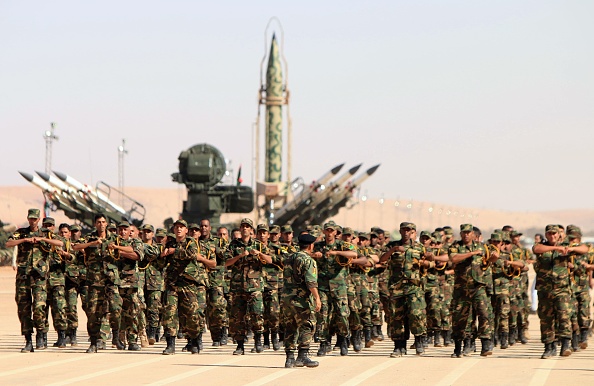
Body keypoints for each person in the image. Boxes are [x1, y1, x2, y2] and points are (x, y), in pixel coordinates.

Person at [6, 209, 63, 352]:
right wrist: (24, 240)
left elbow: (59, 243)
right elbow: (9, 243)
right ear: (28, 219)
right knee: (24, 309)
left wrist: (43, 239)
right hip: (23, 276)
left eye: (35, 219)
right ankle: (28, 339)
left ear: (39, 219)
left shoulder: (45, 232)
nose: (32, 221)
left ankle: (41, 333)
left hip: (39, 277)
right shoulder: (21, 232)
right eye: (30, 219)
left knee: (39, 307)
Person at [161, 219, 215, 355]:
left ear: (186, 230)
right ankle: (170, 344)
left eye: (182, 227)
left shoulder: (191, 242)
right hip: (173, 284)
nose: (179, 229)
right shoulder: (169, 243)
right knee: (169, 313)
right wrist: (162, 253)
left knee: (192, 314)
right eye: (176, 227)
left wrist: (174, 251)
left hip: (188, 284)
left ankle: (195, 340)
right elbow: (161, 259)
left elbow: (191, 254)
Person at [73, 213, 123, 353]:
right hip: (94, 282)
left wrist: (117, 248)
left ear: (106, 224)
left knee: (116, 309)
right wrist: (91, 244)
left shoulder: (114, 238)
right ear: (95, 224)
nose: (101, 224)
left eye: (103, 222)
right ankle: (94, 342)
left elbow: (132, 249)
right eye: (98, 222)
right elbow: (75, 246)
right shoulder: (90, 237)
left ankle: (116, 336)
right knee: (93, 312)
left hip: (111, 281)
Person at [224, 218, 274, 355]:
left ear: (252, 230)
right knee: (237, 317)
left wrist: (259, 254)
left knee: (257, 314)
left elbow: (270, 260)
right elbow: (225, 262)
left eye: (248, 227)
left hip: (255, 287)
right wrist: (240, 256)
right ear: (240, 229)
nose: (245, 228)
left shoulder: (259, 245)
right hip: (237, 287)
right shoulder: (233, 245)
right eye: (243, 226)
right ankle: (240, 345)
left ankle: (258, 340)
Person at [448, 224, 497, 358]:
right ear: (461, 234)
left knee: (484, 314)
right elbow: (454, 258)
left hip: (478, 286)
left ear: (473, 234)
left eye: (468, 233)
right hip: (461, 288)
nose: (466, 235)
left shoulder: (482, 247)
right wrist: (471, 253)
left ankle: (486, 344)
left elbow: (491, 259)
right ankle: (458, 347)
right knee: (459, 318)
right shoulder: (456, 247)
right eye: (463, 233)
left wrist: (494, 256)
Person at [282, 233, 321, 368]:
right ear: (311, 246)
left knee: (290, 326)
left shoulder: (289, 258)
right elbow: (310, 282)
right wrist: (317, 298)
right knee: (307, 325)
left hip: (287, 298)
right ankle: (302, 356)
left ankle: (289, 358)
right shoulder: (308, 260)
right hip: (301, 299)